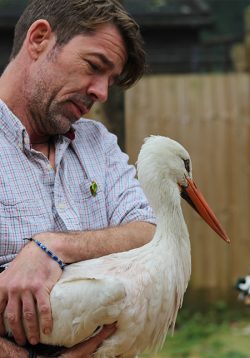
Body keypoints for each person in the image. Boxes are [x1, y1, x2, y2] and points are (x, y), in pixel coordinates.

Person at [0, 0, 156, 357]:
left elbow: (149, 232)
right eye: (94, 66)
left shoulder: (97, 143)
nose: (101, 92)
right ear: (39, 39)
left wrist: (52, 247)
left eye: (110, 81)